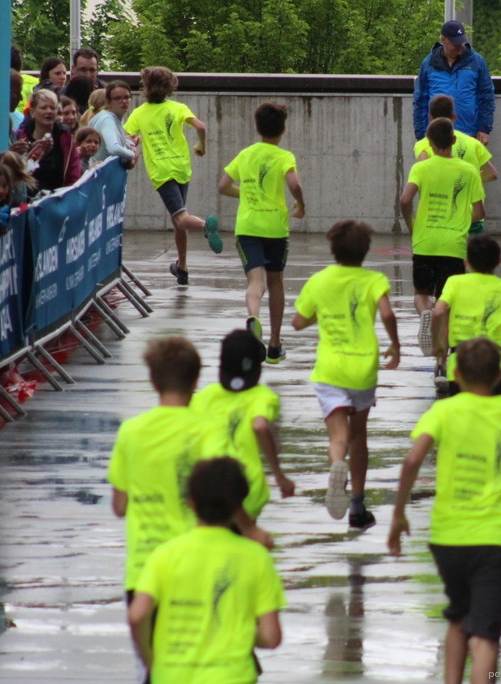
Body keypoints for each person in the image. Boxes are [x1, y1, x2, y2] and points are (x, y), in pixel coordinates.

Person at [387, 337, 501, 684]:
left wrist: (398, 515)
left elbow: (412, 459)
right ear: (499, 376)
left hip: (448, 537)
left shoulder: (443, 412)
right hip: (497, 539)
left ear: (456, 375)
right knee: (487, 634)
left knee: (459, 616)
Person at [109, 336, 268, 684]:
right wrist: (250, 529)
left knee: (155, 672)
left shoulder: (131, 432)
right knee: (211, 651)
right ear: (197, 381)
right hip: (196, 562)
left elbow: (119, 505)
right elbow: (227, 488)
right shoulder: (205, 430)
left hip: (144, 571)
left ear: (153, 381)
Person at [129, 457, 284, 684]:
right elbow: (271, 637)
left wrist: (150, 660)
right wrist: (243, 628)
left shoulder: (165, 555)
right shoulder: (256, 559)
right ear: (238, 506)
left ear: (191, 501)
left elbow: (137, 615)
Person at [292, 220, 401, 530]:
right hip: (363, 368)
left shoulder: (320, 281)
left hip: (330, 369)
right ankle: (357, 504)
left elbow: (298, 322)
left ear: (333, 249)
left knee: (338, 437)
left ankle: (337, 463)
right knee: (360, 435)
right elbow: (388, 313)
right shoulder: (373, 280)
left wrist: (321, 316)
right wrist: (395, 344)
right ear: (365, 251)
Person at [217, 103, 305, 362]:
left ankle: (253, 316)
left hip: (248, 227)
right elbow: (294, 184)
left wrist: (244, 192)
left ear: (257, 128)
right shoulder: (284, 156)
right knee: (276, 281)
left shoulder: (246, 154)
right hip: (275, 228)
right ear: (283, 129)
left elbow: (223, 186)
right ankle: (275, 345)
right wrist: (301, 204)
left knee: (255, 282)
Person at [399, 117, 485, 384]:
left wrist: (412, 223)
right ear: (454, 140)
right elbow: (479, 212)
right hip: (454, 246)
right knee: (446, 306)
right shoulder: (469, 171)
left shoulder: (421, 168)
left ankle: (425, 314)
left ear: (430, 142)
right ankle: (440, 364)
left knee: (421, 294)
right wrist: (458, 221)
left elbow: (405, 199)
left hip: (425, 241)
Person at [124, 66, 221, 285]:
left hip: (162, 171)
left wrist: (136, 143)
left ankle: (206, 226)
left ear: (145, 87)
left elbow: (127, 138)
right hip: (181, 167)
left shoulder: (139, 113)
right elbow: (201, 126)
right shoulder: (178, 108)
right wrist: (201, 145)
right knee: (179, 220)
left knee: (180, 217)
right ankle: (182, 268)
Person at [190, 328, 294, 521]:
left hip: (208, 485)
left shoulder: (203, 398)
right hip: (248, 487)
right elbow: (260, 426)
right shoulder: (263, 396)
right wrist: (279, 475)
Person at [432, 235, 501, 396]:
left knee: (462, 417)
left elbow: (438, 311)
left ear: (466, 261)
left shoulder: (454, 282)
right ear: (498, 261)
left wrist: (437, 343)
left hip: (459, 364)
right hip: (494, 365)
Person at [413, 20, 495, 144]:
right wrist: (421, 135)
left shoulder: (477, 62)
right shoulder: (429, 63)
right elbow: (420, 100)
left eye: (461, 41)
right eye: (454, 42)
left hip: (469, 134)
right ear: (443, 40)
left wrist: (484, 128)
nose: (459, 46)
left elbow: (486, 97)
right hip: (436, 135)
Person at [414, 94, 498, 186]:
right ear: (454, 117)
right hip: (470, 199)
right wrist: (467, 183)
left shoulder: (423, 144)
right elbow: (492, 174)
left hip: (438, 199)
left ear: (430, 118)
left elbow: (424, 176)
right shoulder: (473, 143)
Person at [14, 89, 82, 192]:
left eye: (53, 108)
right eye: (44, 108)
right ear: (32, 112)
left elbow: (73, 173)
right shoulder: (20, 137)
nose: (49, 111)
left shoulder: (66, 138)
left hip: (57, 200)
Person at [89, 81, 138, 168]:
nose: (124, 101)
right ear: (108, 102)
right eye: (118, 98)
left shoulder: (115, 118)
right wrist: (132, 154)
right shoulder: (108, 119)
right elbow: (113, 149)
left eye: (127, 97)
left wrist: (129, 144)